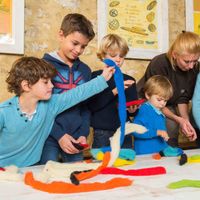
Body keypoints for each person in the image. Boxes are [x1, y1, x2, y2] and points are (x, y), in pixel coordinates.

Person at [0, 56, 114, 167]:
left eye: (50, 81)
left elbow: (77, 94)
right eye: (45, 82)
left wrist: (103, 78)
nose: (51, 85)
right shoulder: (4, 112)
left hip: (32, 168)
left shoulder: (51, 105)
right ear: (26, 86)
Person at [40, 13, 95, 164]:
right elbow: (39, 107)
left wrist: (83, 134)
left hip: (76, 138)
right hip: (49, 136)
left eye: (83, 46)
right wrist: (59, 135)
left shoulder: (85, 71)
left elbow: (85, 107)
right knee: (47, 176)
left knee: (77, 176)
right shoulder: (43, 66)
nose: (78, 50)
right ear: (61, 35)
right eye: (75, 43)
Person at [137, 31, 200, 147]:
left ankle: (171, 154)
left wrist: (185, 121)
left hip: (168, 102)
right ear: (175, 55)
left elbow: (183, 99)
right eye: (187, 61)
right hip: (149, 101)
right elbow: (156, 99)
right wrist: (178, 120)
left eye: (195, 61)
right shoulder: (159, 63)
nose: (191, 66)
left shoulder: (194, 68)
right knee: (169, 125)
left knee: (176, 124)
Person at [88, 33, 138, 149]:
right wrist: (116, 90)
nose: (118, 59)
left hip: (124, 130)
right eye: (113, 55)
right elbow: (93, 106)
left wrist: (132, 110)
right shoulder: (95, 78)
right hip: (102, 132)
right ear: (103, 56)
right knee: (102, 163)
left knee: (126, 161)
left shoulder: (130, 80)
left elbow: (132, 111)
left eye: (122, 56)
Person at [132, 75, 173, 154]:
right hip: (145, 154)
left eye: (165, 101)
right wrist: (157, 132)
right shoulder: (144, 110)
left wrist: (166, 147)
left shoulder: (158, 112)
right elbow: (135, 131)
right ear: (147, 95)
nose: (162, 104)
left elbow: (160, 137)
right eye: (159, 99)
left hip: (158, 152)